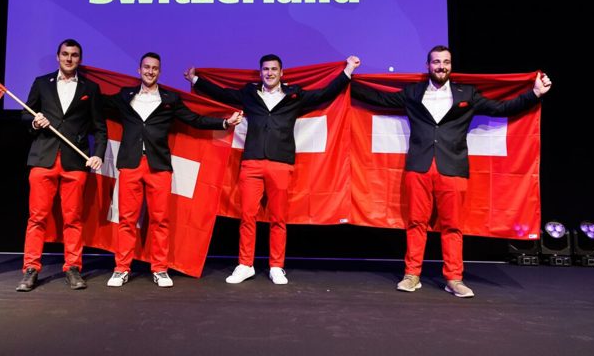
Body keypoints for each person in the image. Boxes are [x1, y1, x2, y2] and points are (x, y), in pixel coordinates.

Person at [350, 45, 552, 298]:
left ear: (451, 65)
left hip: (453, 168)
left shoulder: (466, 93)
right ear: (428, 66)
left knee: (453, 226)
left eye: (445, 62)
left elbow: (500, 109)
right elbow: (377, 98)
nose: (441, 66)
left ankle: (454, 279)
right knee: (415, 223)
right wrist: (345, 78)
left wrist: (534, 93)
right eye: (436, 62)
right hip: (419, 167)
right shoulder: (413, 93)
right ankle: (412, 275)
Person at [184, 54, 360, 284]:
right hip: (252, 163)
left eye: (274, 69)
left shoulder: (294, 95)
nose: (269, 73)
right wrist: (196, 80)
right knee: (247, 216)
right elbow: (223, 94)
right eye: (265, 69)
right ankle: (245, 264)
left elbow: (324, 94)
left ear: (281, 73)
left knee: (278, 218)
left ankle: (276, 266)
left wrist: (348, 70)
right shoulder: (249, 93)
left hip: (280, 163)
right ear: (260, 72)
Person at [103, 52, 242, 288]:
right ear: (139, 70)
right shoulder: (124, 96)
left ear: (159, 72)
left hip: (159, 166)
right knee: (126, 220)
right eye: (146, 67)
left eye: (154, 68)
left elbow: (195, 120)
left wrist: (224, 123)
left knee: (160, 220)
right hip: (130, 164)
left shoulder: (170, 99)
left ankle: (159, 269)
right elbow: (96, 103)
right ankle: (121, 268)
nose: (150, 71)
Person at [16, 39, 107, 292]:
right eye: (65, 54)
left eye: (74, 55)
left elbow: (100, 127)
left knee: (73, 218)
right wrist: (35, 122)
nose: (69, 59)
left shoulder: (91, 87)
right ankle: (31, 269)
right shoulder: (41, 83)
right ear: (58, 57)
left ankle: (73, 268)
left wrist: (98, 154)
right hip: (43, 159)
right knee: (37, 218)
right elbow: (25, 114)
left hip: (75, 161)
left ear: (80, 59)